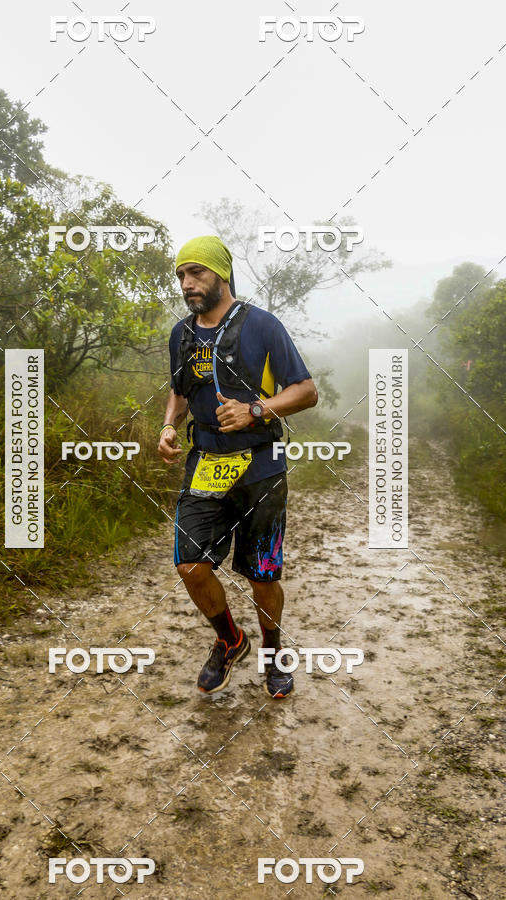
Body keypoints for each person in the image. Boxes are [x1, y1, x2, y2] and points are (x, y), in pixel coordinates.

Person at [158, 235, 318, 698]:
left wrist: (257, 410)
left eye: (197, 273)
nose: (188, 283)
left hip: (260, 467)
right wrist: (169, 426)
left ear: (221, 273)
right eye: (181, 275)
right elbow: (180, 390)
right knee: (190, 565)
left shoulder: (262, 326)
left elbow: (305, 391)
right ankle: (230, 640)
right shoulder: (181, 334)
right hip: (205, 462)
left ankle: (272, 653)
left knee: (262, 573)